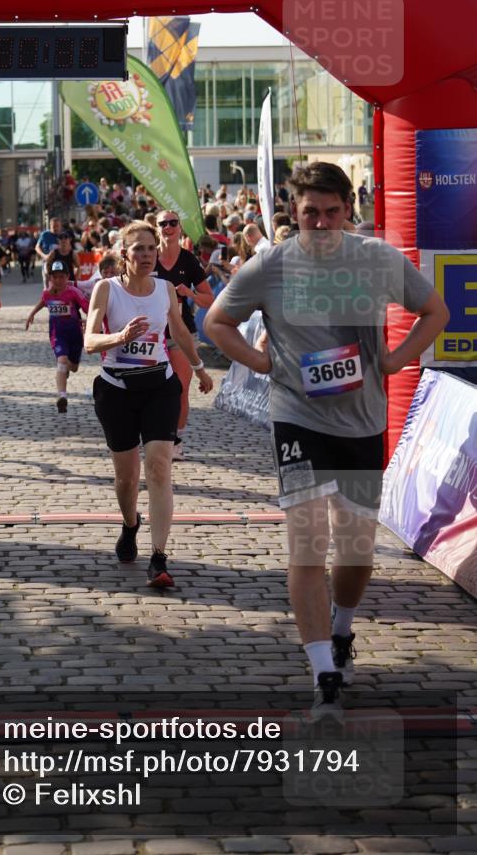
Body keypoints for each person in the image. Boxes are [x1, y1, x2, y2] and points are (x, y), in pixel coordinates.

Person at [204, 161, 449, 716]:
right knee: (309, 540)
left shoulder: (377, 259)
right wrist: (263, 362)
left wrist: (392, 361)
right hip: (297, 418)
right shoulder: (271, 264)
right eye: (309, 211)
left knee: (357, 550)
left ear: (347, 211)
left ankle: (341, 629)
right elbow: (215, 322)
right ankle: (323, 672)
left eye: (331, 211)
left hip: (363, 420)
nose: (319, 222)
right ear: (295, 211)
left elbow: (436, 311)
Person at [85, 221, 213, 588]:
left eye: (150, 248)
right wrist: (120, 337)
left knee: (159, 467)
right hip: (116, 391)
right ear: (123, 254)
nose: (145, 255)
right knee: (126, 479)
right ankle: (129, 524)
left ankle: (158, 557)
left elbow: (179, 329)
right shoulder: (106, 290)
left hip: (160, 386)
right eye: (137, 249)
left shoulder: (165, 289)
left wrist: (200, 368)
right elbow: (90, 340)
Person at [154, 211, 214, 461]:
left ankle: (176, 440)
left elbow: (209, 299)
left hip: (181, 332)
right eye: (163, 223)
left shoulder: (189, 261)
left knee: (180, 389)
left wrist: (188, 293)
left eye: (173, 223)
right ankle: (154, 437)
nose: (168, 227)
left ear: (180, 227)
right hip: (152, 332)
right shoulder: (147, 258)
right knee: (154, 390)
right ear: (156, 228)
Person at [25, 259, 90, 412]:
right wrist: (31, 314)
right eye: (54, 277)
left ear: (67, 277)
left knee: (73, 367)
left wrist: (93, 322)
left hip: (75, 335)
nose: (58, 280)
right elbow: (43, 301)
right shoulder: (47, 293)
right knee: (61, 360)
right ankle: (62, 396)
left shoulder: (73, 292)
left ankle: (66, 368)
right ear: (50, 278)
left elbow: (88, 308)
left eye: (61, 277)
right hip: (57, 334)